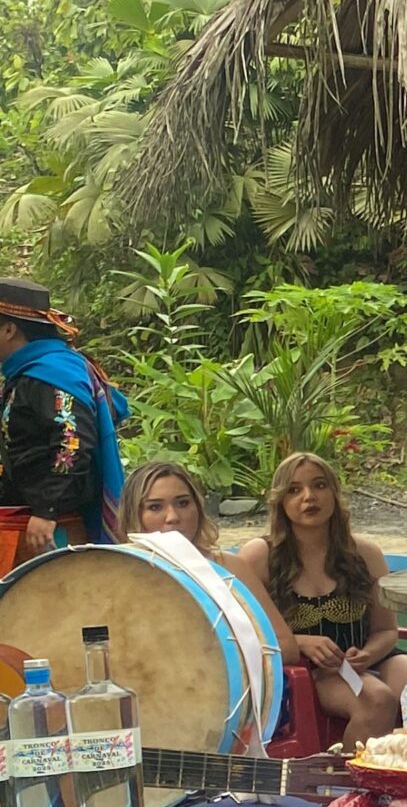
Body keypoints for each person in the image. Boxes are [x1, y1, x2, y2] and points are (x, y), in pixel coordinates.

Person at [120, 459, 294, 750]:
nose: (172, 516)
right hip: (148, 706)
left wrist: (218, 658)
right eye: (155, 507)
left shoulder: (230, 568)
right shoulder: (113, 573)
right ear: (134, 515)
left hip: (231, 705)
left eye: (183, 503)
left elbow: (286, 646)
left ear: (198, 509)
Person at [233, 453, 406, 745]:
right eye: (294, 489)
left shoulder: (365, 554)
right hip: (309, 672)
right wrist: (299, 641)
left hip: (368, 660)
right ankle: (352, 784)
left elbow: (387, 630)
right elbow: (241, 632)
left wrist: (367, 656)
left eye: (320, 485)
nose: (309, 497)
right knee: (376, 700)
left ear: (335, 494)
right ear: (280, 501)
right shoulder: (260, 557)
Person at [0, 278, 130, 553]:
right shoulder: (26, 374)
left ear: (9, 329)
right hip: (26, 515)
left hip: (52, 526)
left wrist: (47, 510)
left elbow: (73, 442)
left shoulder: (52, 374)